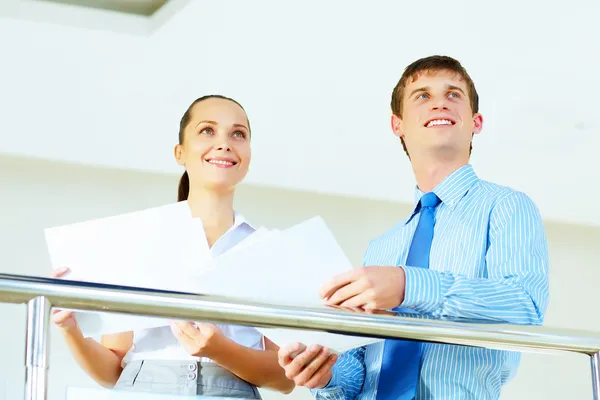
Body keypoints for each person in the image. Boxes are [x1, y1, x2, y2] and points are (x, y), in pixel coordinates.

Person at [278, 56, 550, 399]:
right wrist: (328, 373)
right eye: (422, 96)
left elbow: (524, 306)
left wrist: (410, 286)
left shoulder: (507, 207)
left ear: (476, 122)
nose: (439, 102)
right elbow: (362, 369)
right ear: (398, 125)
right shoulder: (381, 249)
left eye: (453, 95)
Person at [50, 95, 295, 398]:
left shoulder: (268, 250)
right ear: (180, 152)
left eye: (238, 133)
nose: (224, 143)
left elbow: (285, 378)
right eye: (208, 130)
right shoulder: (138, 241)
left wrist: (221, 351)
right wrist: (71, 328)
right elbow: (112, 368)